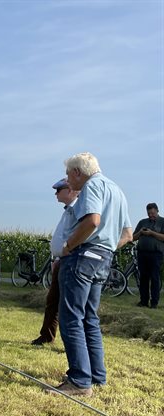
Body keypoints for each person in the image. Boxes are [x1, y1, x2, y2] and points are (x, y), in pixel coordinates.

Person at [47, 152, 132, 397]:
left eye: (67, 175)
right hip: (103, 258)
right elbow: (127, 234)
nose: (67, 181)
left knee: (71, 316)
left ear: (77, 172)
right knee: (89, 317)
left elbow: (92, 221)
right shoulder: (116, 190)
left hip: (81, 257)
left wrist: (69, 246)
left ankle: (79, 380)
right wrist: (104, 249)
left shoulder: (91, 186)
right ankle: (96, 375)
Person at [30, 179, 80, 346]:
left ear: (70, 189)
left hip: (71, 261)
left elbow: (76, 237)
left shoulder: (79, 209)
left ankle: (72, 344)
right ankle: (47, 335)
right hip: (62, 260)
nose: (56, 193)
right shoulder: (69, 210)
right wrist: (57, 258)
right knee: (53, 301)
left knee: (68, 305)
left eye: (59, 190)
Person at [132, 203, 164, 309]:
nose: (151, 215)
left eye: (153, 213)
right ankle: (143, 301)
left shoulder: (162, 221)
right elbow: (133, 237)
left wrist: (151, 233)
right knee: (143, 278)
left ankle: (154, 303)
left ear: (157, 211)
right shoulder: (142, 222)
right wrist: (140, 232)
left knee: (155, 278)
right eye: (149, 213)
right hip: (142, 253)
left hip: (156, 254)